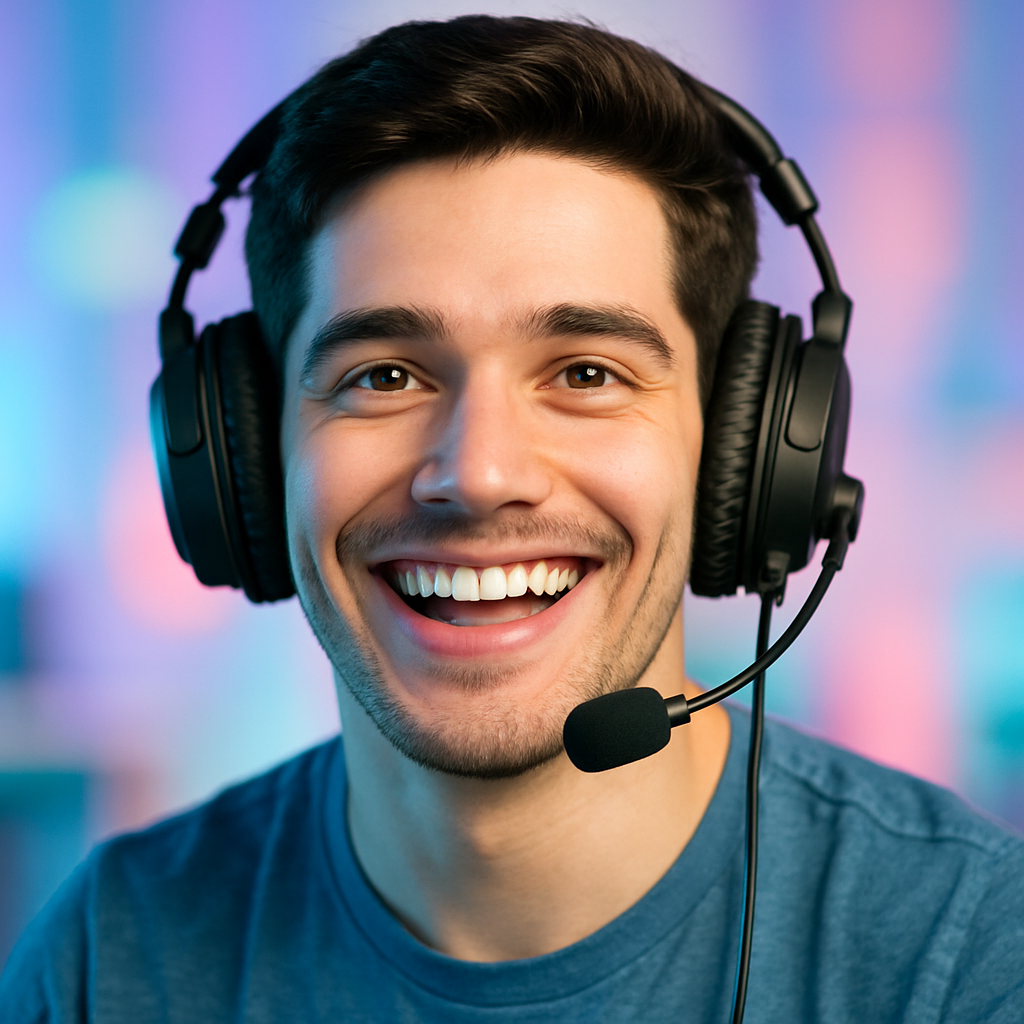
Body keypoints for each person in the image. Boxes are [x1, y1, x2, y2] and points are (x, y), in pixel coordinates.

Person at [2, 16, 1022, 1023]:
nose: (479, 473)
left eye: (586, 372)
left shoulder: (970, 960)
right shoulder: (111, 955)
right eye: (384, 375)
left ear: (740, 452)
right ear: (246, 453)